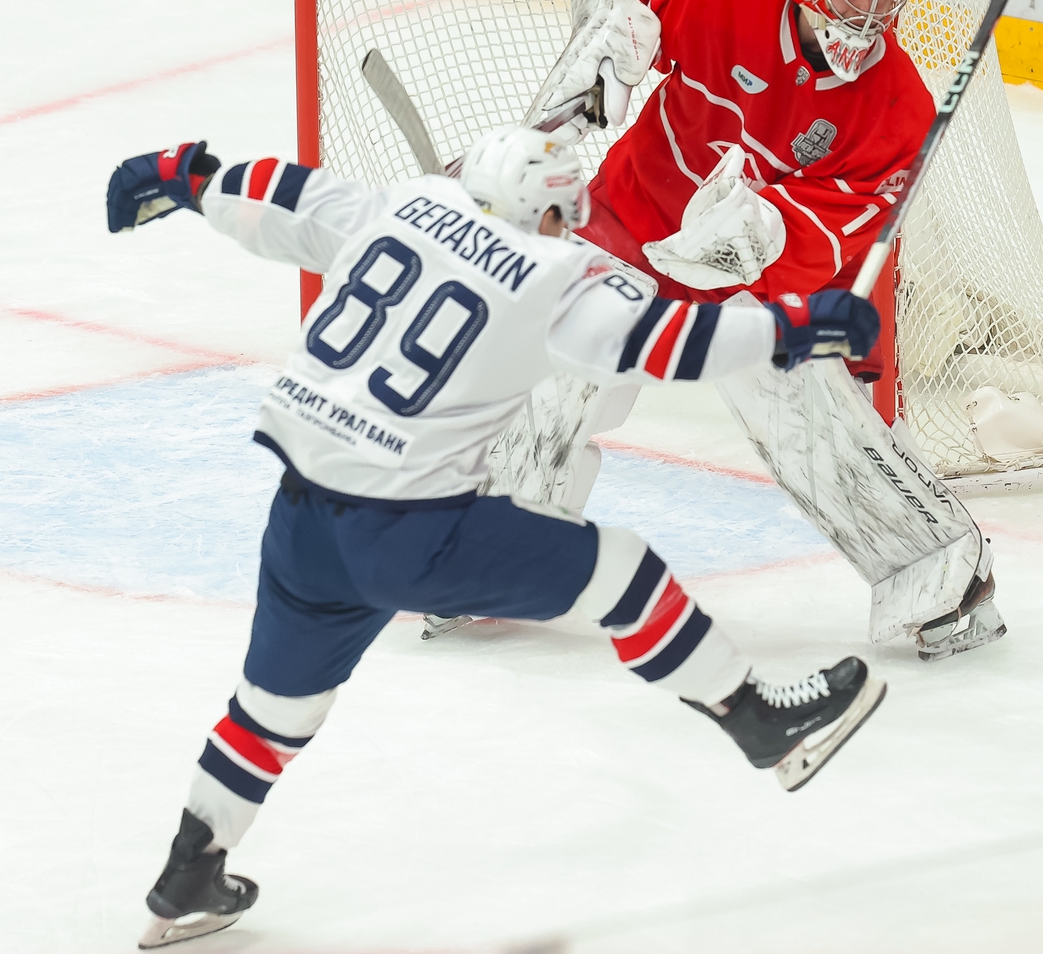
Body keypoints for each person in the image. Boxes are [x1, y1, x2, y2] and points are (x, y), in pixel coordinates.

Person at [107, 128, 885, 948]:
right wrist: (791, 324)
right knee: (623, 572)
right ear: (546, 210)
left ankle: (190, 871)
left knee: (270, 711)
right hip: (409, 531)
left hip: (302, 515)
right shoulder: (556, 276)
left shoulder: (398, 207)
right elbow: (660, 343)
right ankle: (757, 718)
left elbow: (283, 196)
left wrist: (186, 176)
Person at [515, 0, 1005, 661]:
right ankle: (499, 548)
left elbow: (833, 234)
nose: (869, 15)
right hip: (633, 220)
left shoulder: (899, 110)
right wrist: (581, 87)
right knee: (554, 368)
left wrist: (753, 231)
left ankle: (942, 569)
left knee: (801, 409)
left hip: (754, 282)